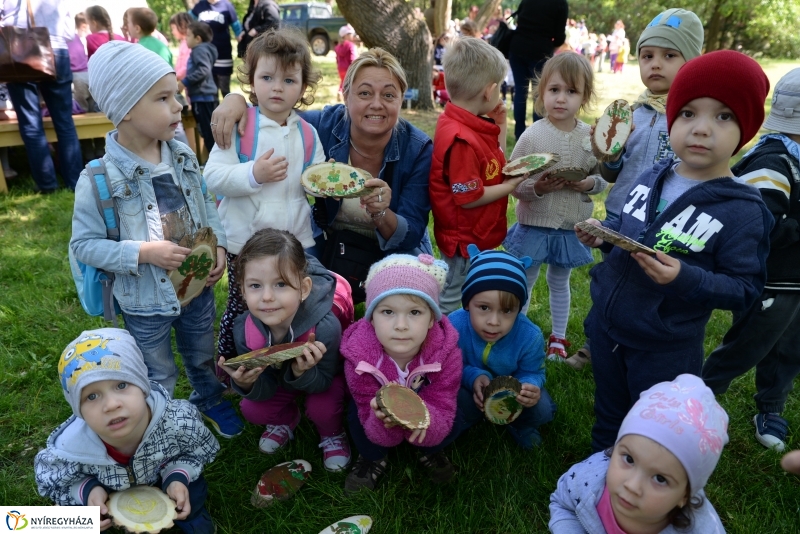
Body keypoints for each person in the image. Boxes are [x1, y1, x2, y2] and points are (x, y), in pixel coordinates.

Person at [575, 50, 773, 451]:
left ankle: (644, 496)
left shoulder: (743, 210)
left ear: (746, 129)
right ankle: (601, 473)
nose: (701, 129)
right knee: (609, 414)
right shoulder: (654, 174)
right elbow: (628, 230)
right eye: (688, 114)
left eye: (723, 116)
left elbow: (745, 289)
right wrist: (604, 233)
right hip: (609, 326)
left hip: (665, 346)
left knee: (654, 430)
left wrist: (685, 278)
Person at [71, 41, 244, 439]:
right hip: (146, 301)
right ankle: (161, 421)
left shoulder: (182, 155)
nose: (178, 106)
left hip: (197, 289)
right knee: (156, 368)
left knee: (201, 353)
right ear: (127, 108)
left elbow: (205, 203)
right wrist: (143, 252)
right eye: (163, 98)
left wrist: (216, 243)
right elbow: (84, 245)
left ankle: (208, 396)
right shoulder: (99, 179)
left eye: (176, 95)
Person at [210, 47, 434, 291]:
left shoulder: (417, 148)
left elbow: (411, 233)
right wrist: (236, 101)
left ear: (401, 98)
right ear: (346, 96)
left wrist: (381, 212)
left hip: (394, 246)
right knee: (300, 289)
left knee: (407, 299)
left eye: (389, 95)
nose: (376, 104)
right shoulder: (318, 127)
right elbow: (277, 109)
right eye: (365, 93)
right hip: (331, 240)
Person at [568, 8, 705, 370]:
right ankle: (595, 343)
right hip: (621, 216)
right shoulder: (631, 114)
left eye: (669, 55)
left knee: (652, 289)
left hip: (665, 221)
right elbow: (613, 172)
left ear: (692, 61)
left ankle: (645, 345)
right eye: (647, 56)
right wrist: (607, 155)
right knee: (610, 285)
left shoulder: (692, 116)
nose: (655, 64)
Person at [204, 28, 326, 362]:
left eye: (289, 80)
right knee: (242, 305)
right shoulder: (243, 127)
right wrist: (253, 174)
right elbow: (212, 177)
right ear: (252, 81)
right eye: (267, 77)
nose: (277, 87)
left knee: (287, 303)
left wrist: (322, 182)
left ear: (303, 87)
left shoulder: (307, 132)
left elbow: (315, 175)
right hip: (245, 241)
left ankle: (282, 356)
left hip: (294, 239)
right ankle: (230, 362)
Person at [701, 68, 800, 453]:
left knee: (790, 348)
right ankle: (698, 397)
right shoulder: (773, 163)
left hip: (794, 282)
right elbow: (761, 226)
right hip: (770, 282)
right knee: (747, 345)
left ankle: (771, 405)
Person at [34, 328, 220, 533]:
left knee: (191, 491)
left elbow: (194, 452)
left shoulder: (176, 422)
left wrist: (177, 475)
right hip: (105, 487)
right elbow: (55, 481)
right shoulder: (71, 447)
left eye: (121, 385)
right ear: (79, 411)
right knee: (76, 512)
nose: (111, 405)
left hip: (162, 476)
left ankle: (190, 516)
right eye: (92, 397)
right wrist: (87, 490)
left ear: (142, 386)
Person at [219, 229, 350, 471]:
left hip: (323, 378)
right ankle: (286, 419)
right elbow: (265, 386)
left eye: (280, 284)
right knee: (251, 408)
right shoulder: (245, 329)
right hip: (281, 381)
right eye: (256, 285)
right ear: (243, 290)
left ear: (304, 288)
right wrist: (248, 383)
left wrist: (303, 373)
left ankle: (331, 433)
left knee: (323, 407)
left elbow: (325, 380)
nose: (267, 297)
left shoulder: (324, 328)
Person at [503, 53, 606, 360]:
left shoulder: (589, 138)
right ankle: (517, 331)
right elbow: (513, 182)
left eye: (571, 92)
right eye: (554, 90)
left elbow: (601, 178)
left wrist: (587, 184)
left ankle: (558, 338)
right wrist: (537, 187)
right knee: (526, 278)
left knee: (559, 281)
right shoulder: (533, 135)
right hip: (534, 224)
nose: (562, 99)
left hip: (568, 229)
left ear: (584, 97)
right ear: (542, 92)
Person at [341, 254, 462, 492]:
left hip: (429, 412)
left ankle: (429, 450)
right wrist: (382, 420)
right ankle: (373, 457)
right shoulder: (359, 359)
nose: (401, 325)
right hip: (375, 420)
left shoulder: (446, 354)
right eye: (387, 312)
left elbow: (443, 402)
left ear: (431, 320)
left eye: (415, 312)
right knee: (356, 415)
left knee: (462, 407)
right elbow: (368, 408)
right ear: (371, 318)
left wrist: (428, 424)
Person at [549, 374, 728, 533]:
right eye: (629, 459)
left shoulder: (701, 529)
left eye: (660, 478)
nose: (632, 486)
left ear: (685, 496)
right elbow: (563, 503)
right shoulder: (587, 480)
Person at [429, 37, 519, 314]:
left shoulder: (463, 122)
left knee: (467, 292)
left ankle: (461, 337)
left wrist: (500, 124)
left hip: (474, 235)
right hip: (464, 242)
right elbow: (469, 197)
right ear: (489, 90)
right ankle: (439, 343)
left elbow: (495, 162)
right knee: (451, 298)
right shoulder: (461, 140)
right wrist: (510, 186)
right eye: (500, 88)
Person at [451, 246, 555, 448]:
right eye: (483, 308)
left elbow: (533, 371)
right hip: (469, 387)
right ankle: (469, 418)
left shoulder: (529, 336)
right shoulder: (454, 325)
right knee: (455, 398)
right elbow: (448, 364)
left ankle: (519, 423)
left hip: (511, 394)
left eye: (507, 310)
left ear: (518, 309)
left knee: (543, 409)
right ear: (467, 303)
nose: (493, 321)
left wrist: (528, 385)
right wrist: (473, 377)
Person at [1, 0, 82, 192]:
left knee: (31, 124)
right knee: (64, 122)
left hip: (20, 51)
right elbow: (70, 32)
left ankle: (47, 185)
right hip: (57, 50)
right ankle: (76, 182)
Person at [507, 0, 568, 139]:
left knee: (520, 92)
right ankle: (537, 134)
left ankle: (520, 134)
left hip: (518, 47)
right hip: (540, 51)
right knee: (539, 94)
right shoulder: (560, 3)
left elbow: (520, 19)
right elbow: (559, 36)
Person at [178, 22, 218, 154]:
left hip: (202, 97)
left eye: (188, 35)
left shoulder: (199, 50)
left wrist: (184, 82)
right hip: (206, 96)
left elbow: (203, 70)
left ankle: (214, 161)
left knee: (207, 132)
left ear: (198, 38)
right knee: (210, 131)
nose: (186, 38)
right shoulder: (204, 49)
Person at [191, 0, 244, 100]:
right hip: (205, 57)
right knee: (211, 92)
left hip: (223, 54)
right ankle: (214, 115)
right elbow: (188, 22)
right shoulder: (200, 5)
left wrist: (243, 44)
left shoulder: (227, 5)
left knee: (225, 90)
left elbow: (237, 29)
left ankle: (229, 114)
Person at [335, 24, 358, 101]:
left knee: (343, 81)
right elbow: (353, 58)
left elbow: (337, 58)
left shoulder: (338, 46)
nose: (352, 36)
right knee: (351, 82)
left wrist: (338, 65)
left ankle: (340, 92)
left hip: (341, 68)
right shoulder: (351, 45)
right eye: (351, 34)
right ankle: (348, 96)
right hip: (349, 67)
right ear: (346, 36)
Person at [170, 12, 194, 87]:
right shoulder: (184, 43)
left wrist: (175, 77)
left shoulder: (189, 44)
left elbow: (187, 65)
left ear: (182, 25)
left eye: (173, 28)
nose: (172, 32)